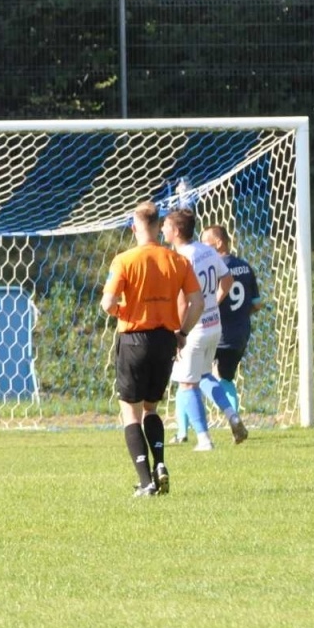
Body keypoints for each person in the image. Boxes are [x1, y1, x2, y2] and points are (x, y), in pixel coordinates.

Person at [100, 203, 203, 496]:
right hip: (165, 340)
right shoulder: (177, 260)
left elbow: (108, 304)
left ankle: (146, 481)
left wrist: (127, 309)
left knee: (130, 412)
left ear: (134, 228)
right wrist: (182, 332)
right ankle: (160, 464)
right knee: (152, 409)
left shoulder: (124, 260)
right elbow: (198, 303)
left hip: (134, 340)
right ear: (159, 227)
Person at [162, 209, 233, 451]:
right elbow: (227, 280)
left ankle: (204, 439)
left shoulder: (180, 258)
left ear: (176, 231)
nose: (162, 229)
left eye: (166, 225)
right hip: (214, 325)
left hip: (194, 328)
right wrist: (214, 302)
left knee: (186, 384)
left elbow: (183, 301)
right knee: (205, 376)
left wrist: (179, 332)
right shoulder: (207, 250)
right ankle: (233, 417)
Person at [201, 225, 260, 442]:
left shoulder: (214, 268)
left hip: (216, 331)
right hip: (241, 332)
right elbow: (257, 303)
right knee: (226, 378)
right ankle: (234, 421)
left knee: (196, 377)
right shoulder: (245, 266)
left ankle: (186, 432)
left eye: (205, 242)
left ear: (218, 242)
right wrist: (241, 314)